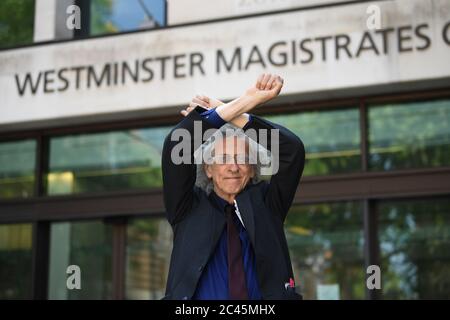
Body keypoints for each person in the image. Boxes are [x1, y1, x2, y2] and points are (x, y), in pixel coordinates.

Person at [161, 73, 305, 300]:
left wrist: (226, 110)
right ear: (208, 168)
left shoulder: (269, 204)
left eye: (242, 159)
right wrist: (240, 103)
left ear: (253, 168)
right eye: (224, 158)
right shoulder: (186, 208)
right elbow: (177, 144)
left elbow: (292, 150)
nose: (233, 167)